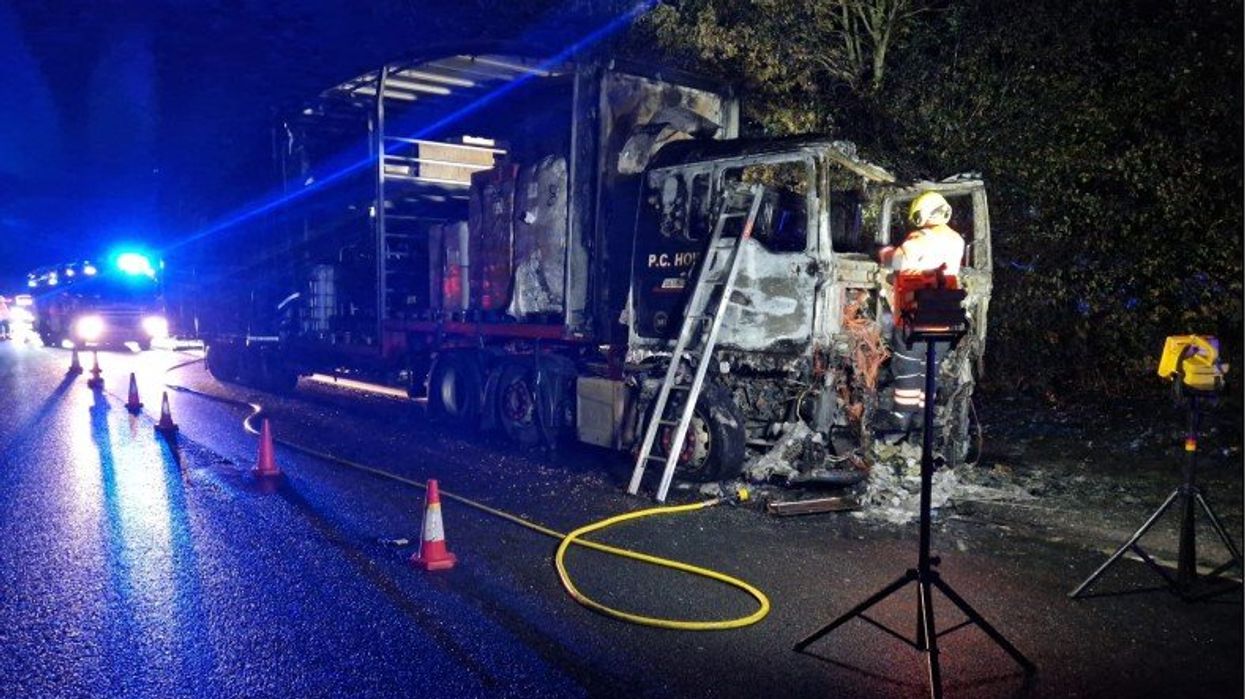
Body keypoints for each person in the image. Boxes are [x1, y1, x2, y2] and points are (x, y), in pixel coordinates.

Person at [877, 191, 965, 433]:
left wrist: (883, 252)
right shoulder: (956, 240)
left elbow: (896, 262)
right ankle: (922, 420)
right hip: (946, 313)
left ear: (922, 213)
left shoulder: (919, 239)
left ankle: (899, 419)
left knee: (907, 368)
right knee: (930, 368)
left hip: (918, 314)